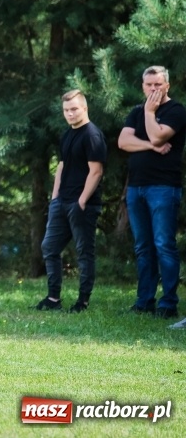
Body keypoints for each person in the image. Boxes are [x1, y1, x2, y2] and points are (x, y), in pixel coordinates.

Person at [118, 65, 186, 319]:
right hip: (136, 187)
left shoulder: (176, 111)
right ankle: (144, 300)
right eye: (149, 85)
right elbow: (123, 142)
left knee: (164, 245)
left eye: (158, 84)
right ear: (143, 86)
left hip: (164, 187)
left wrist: (150, 113)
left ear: (167, 85)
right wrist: (150, 146)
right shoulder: (136, 111)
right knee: (143, 246)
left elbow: (159, 136)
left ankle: (168, 303)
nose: (153, 89)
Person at [35, 91, 107, 313]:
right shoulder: (67, 134)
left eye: (74, 109)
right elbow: (62, 165)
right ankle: (53, 298)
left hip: (82, 205)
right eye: (66, 110)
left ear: (84, 108)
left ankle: (82, 301)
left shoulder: (92, 135)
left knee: (84, 252)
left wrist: (82, 201)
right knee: (49, 247)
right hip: (61, 202)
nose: (70, 114)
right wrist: (55, 197)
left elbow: (96, 171)